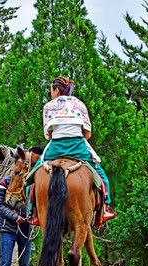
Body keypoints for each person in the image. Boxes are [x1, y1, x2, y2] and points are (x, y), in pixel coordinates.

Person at [41, 76, 115, 218]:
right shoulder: (79, 105)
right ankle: (105, 208)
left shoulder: (49, 106)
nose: (51, 93)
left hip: (56, 147)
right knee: (102, 176)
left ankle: (33, 210)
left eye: (51, 90)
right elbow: (87, 134)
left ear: (57, 90)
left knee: (33, 175)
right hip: (78, 147)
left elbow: (48, 135)